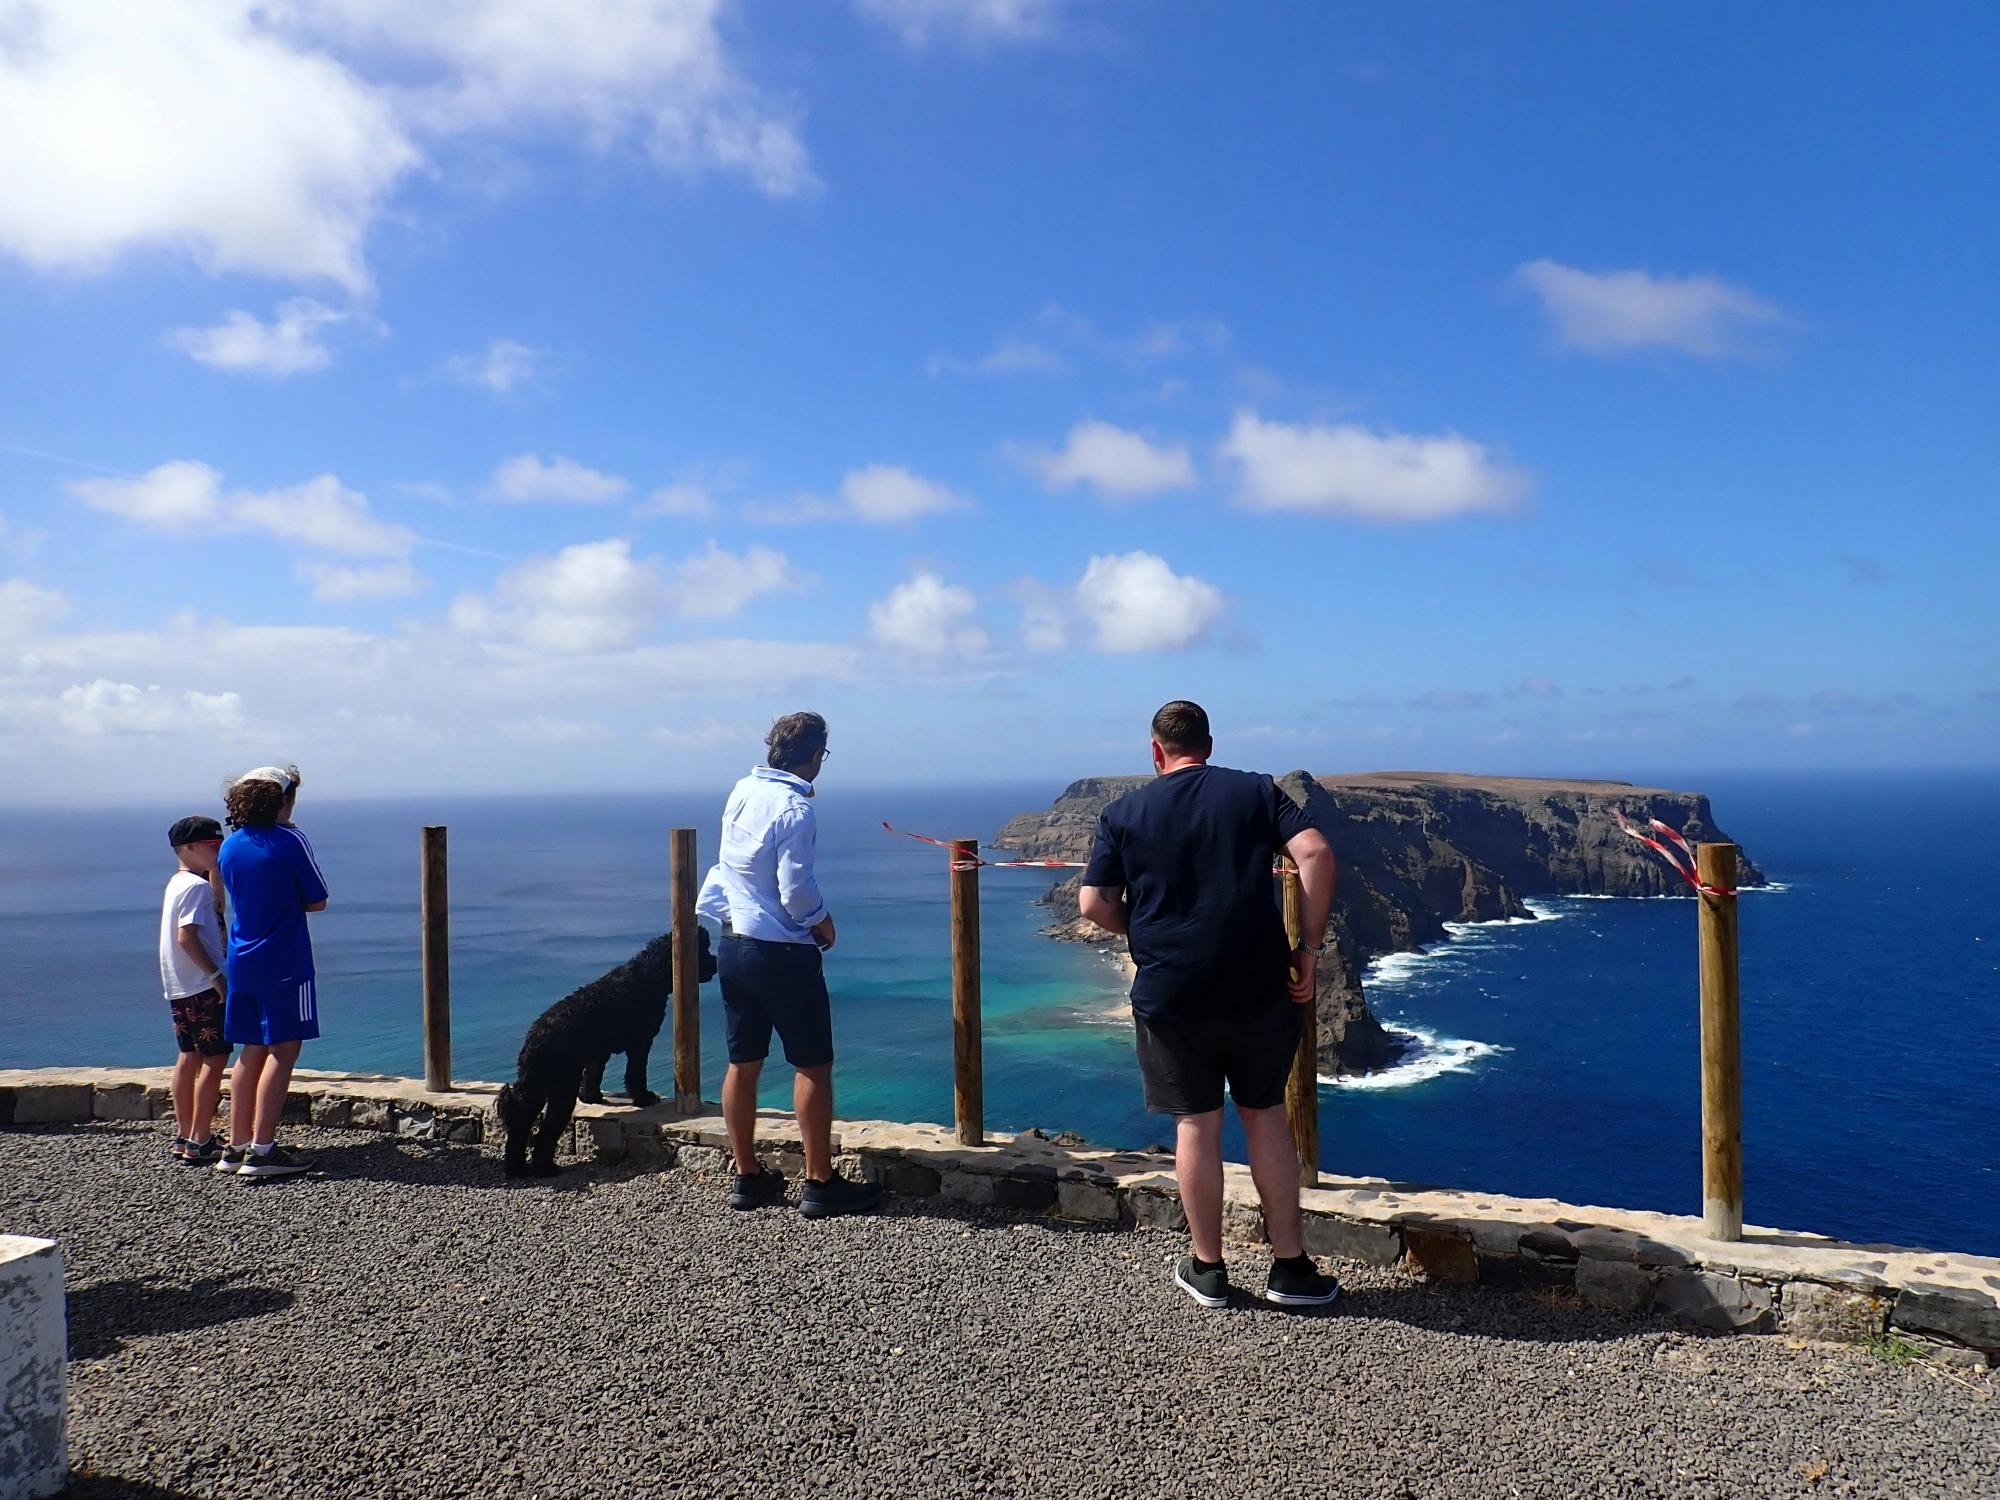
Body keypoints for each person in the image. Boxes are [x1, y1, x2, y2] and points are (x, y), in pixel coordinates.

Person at [1078, 700, 1342, 1309]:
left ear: (1155, 750)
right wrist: (1307, 949)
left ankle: (1209, 1270)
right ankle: (1291, 1269)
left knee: (1196, 1122)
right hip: (1258, 984)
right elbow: (1317, 855)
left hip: (1172, 991)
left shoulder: (1122, 813)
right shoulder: (1253, 792)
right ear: (1210, 744)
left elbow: (1093, 904)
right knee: (1265, 1113)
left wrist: (1144, 932)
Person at [696, 712, 881, 1219]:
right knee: (813, 1065)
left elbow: (728, 864)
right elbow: (795, 889)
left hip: (734, 944)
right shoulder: (795, 809)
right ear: (815, 755)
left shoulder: (743, 791)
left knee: (743, 1062)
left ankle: (746, 1176)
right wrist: (823, 923)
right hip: (781, 952)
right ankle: (820, 1182)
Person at [214, 764, 327, 1181]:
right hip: (284, 959)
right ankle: (263, 1151)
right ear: (283, 801)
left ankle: (236, 1144)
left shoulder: (229, 846)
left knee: (251, 1049)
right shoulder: (291, 840)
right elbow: (317, 899)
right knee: (284, 1049)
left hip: (242, 959)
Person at [159, 814, 232, 1163]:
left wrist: (215, 871)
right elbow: (186, 936)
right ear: (188, 847)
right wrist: (217, 975)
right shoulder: (195, 888)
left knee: (189, 1056)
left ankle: (186, 1134)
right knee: (215, 1059)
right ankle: (201, 1139)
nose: (219, 850)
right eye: (212, 846)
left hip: (180, 986)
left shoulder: (180, 882)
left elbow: (216, 909)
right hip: (203, 986)